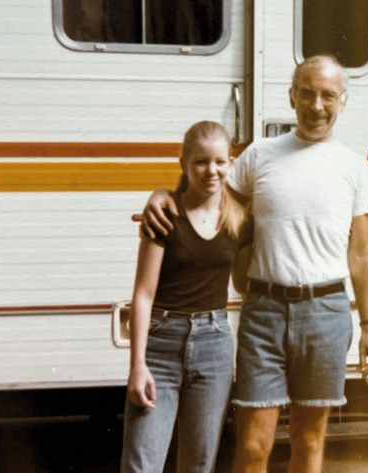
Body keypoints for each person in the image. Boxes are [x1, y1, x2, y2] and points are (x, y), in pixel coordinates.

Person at [142, 55, 368, 473]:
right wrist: (165, 193)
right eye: (306, 93)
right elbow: (211, 205)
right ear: (292, 97)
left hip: (326, 314)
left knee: (310, 442)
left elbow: (362, 252)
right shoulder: (260, 155)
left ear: (343, 101)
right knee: (254, 445)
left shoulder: (354, 167)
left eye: (328, 95)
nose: (316, 105)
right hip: (264, 313)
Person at [121, 121, 251, 473]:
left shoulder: (239, 220)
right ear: (184, 164)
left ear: (231, 164)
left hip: (214, 346)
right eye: (201, 162)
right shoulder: (165, 215)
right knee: (141, 464)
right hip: (161, 346)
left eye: (220, 162)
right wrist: (137, 366)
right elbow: (144, 295)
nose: (212, 170)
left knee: (199, 464)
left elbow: (243, 280)